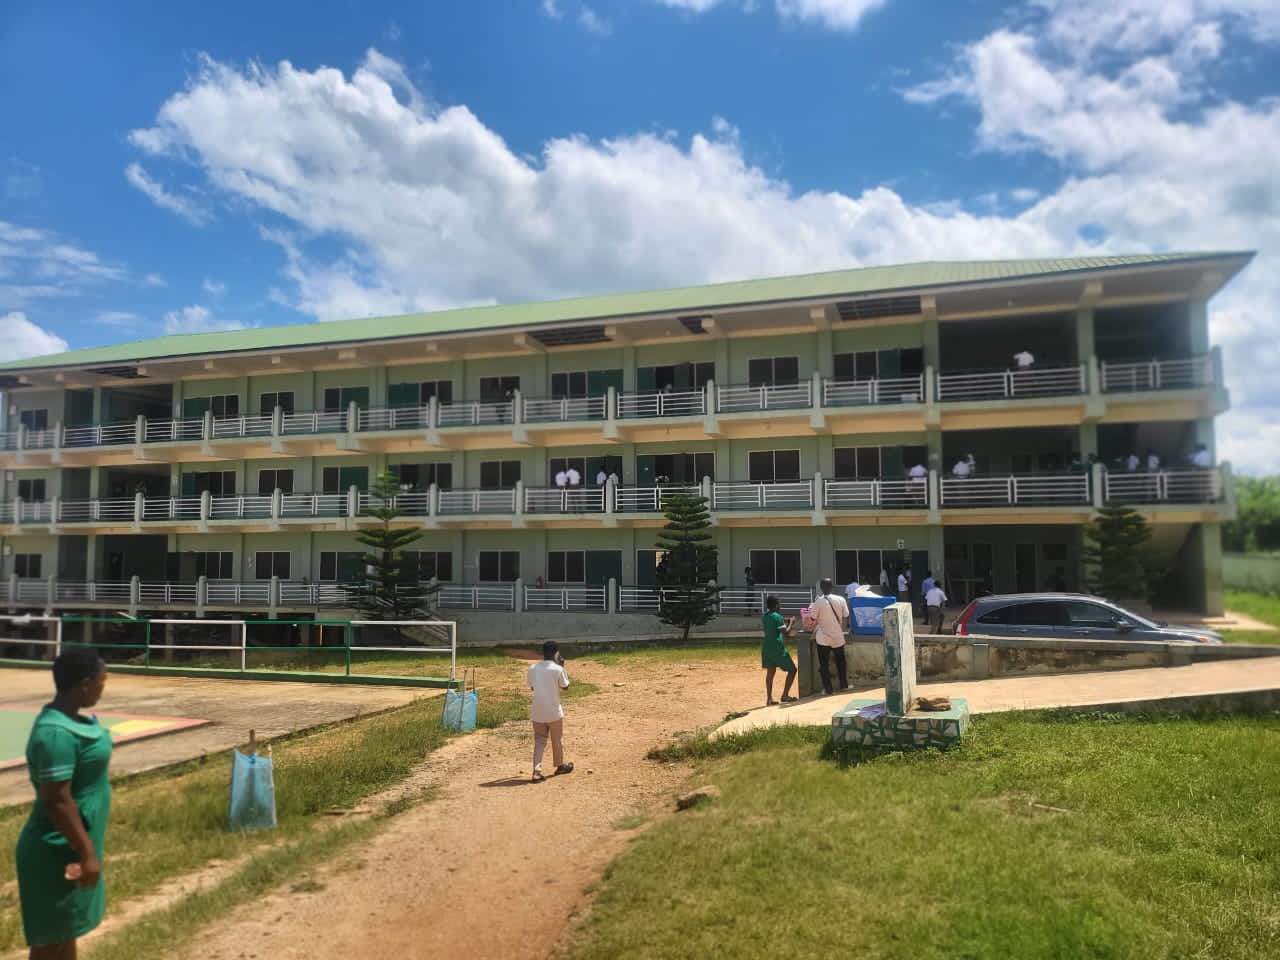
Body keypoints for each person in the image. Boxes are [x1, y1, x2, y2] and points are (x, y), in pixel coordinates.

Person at [16, 647, 112, 959]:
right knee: (50, 942)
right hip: (55, 849)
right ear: (84, 684)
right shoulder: (55, 733)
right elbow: (57, 801)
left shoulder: (71, 721)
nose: (103, 687)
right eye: (102, 681)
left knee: (65, 932)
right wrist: (87, 854)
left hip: (72, 844)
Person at [527, 641, 573, 783]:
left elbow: (532, 688)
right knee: (557, 740)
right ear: (556, 653)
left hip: (537, 712)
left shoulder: (532, 668)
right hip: (554, 712)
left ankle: (536, 771)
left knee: (540, 741)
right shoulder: (557, 669)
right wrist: (562, 666)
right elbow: (565, 686)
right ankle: (559, 766)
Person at [809, 578, 850, 695]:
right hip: (838, 636)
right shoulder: (841, 599)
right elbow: (846, 615)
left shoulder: (818, 602)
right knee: (841, 662)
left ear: (821, 588)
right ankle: (844, 685)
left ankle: (828, 689)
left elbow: (812, 618)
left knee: (824, 665)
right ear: (832, 587)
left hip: (823, 638)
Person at [760, 596, 797, 706]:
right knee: (792, 670)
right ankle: (785, 695)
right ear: (776, 605)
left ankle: (769, 699)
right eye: (779, 604)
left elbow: (776, 619)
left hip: (767, 648)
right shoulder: (778, 616)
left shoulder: (765, 616)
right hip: (777, 648)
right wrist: (791, 623)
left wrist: (786, 620)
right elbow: (786, 632)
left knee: (770, 673)